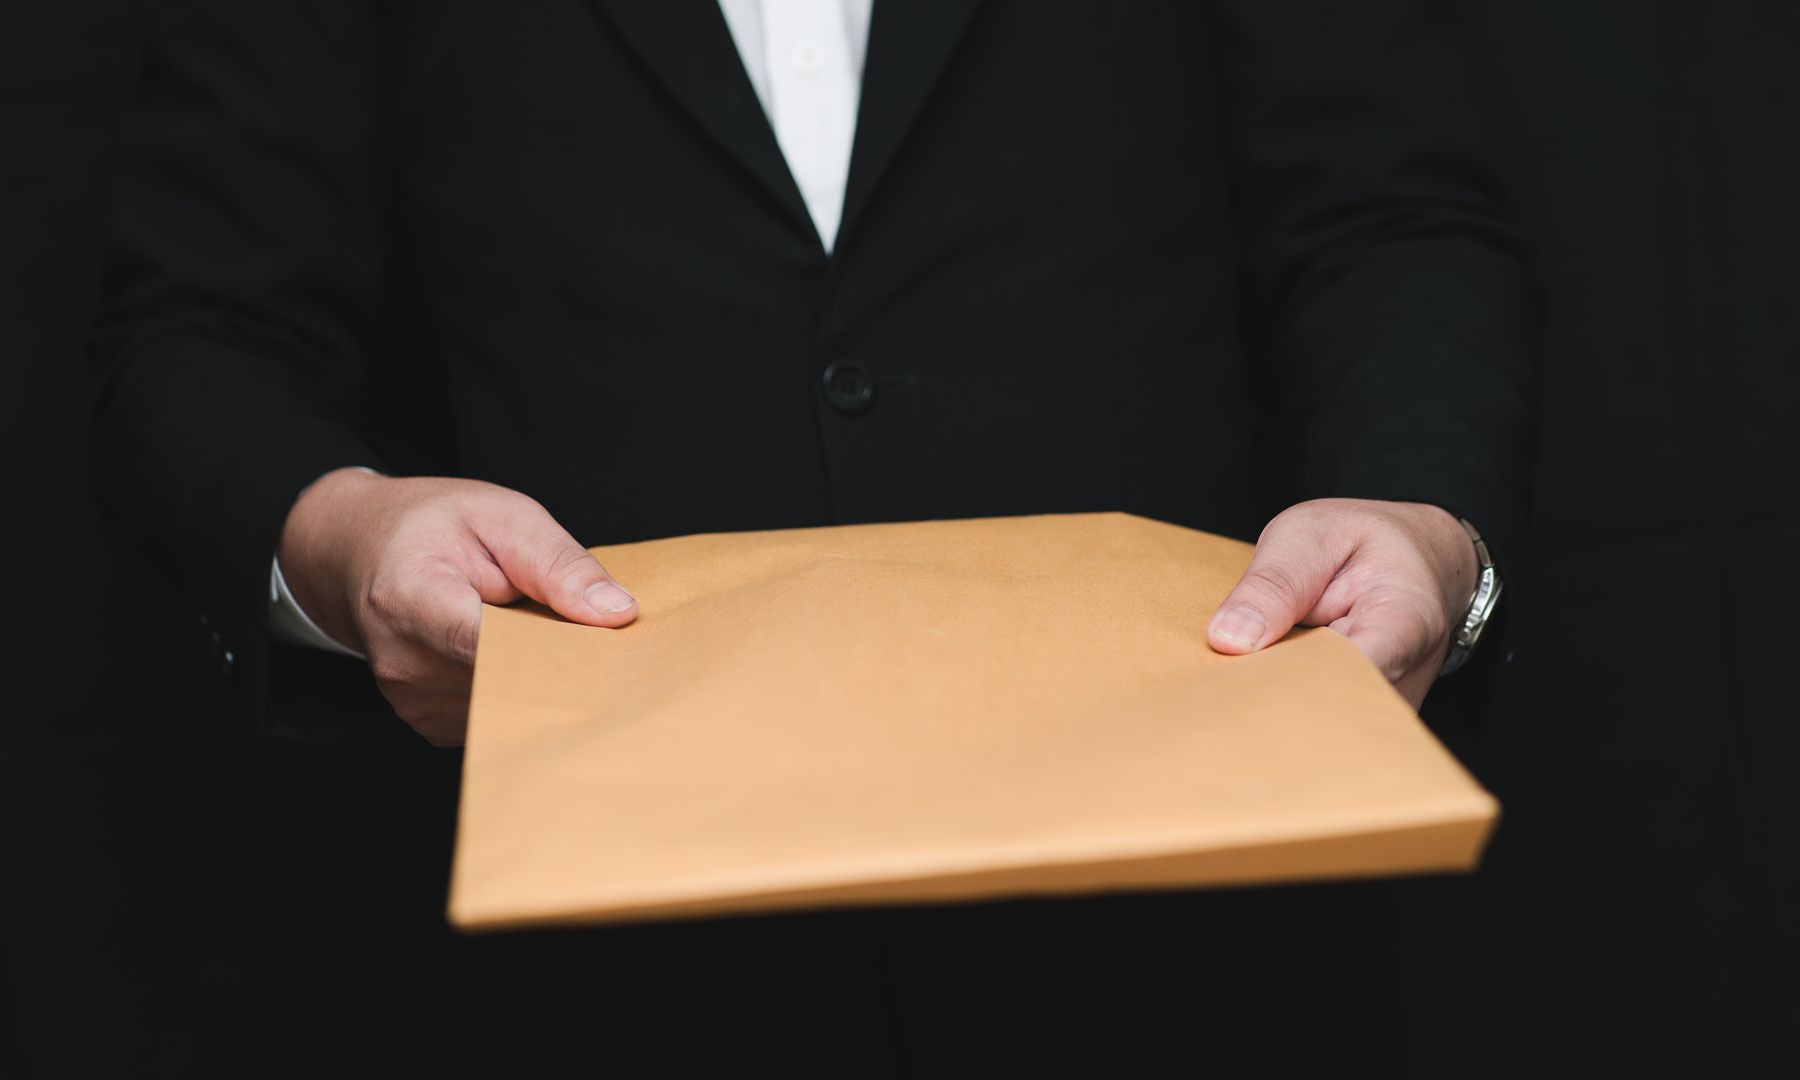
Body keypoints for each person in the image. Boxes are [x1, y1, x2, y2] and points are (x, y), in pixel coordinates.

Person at [91, 1, 1531, 1073]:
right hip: (579, 984)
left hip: (1206, 954)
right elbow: (202, 325)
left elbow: (1389, 209)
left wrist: (1424, 513)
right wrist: (340, 536)